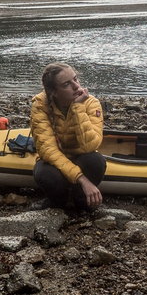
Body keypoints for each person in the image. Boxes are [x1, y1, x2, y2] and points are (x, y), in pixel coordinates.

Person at [30, 62, 105, 210]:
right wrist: (82, 179)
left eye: (75, 79)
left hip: (81, 156)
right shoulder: (40, 105)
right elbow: (48, 151)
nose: (77, 86)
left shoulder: (91, 103)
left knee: (96, 161)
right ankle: (58, 203)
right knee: (45, 174)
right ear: (54, 92)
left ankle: (81, 201)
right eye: (66, 84)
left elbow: (90, 145)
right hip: (56, 160)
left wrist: (77, 108)